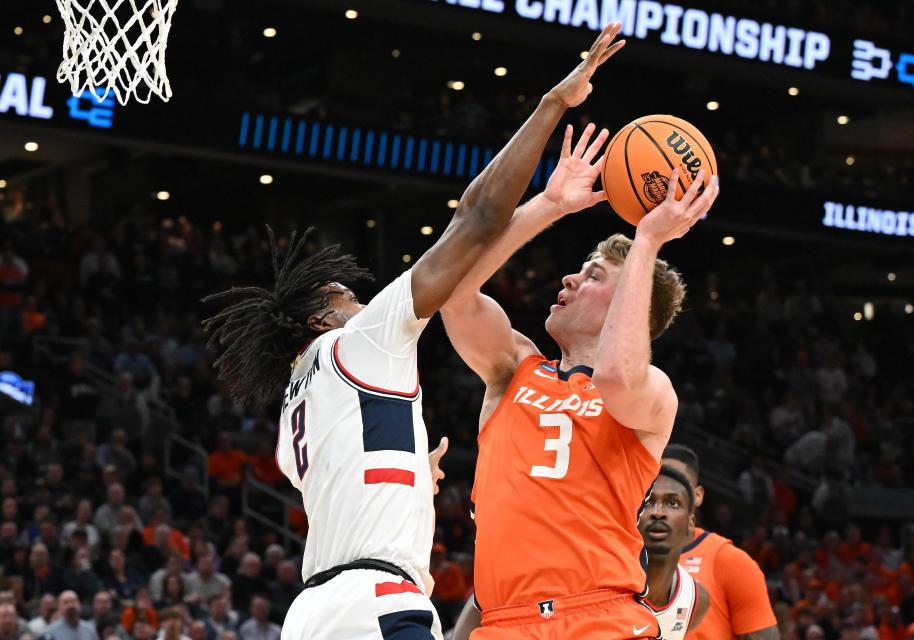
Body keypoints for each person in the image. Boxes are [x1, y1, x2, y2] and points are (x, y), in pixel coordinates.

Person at [201, 24, 617, 640]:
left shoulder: (293, 419)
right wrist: (552, 106)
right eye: (349, 296)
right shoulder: (360, 339)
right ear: (320, 318)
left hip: (310, 615)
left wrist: (411, 475)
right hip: (376, 601)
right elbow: (475, 217)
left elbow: (355, 474)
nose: (364, 301)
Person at [441, 31, 716, 640]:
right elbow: (454, 294)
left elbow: (617, 375)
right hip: (505, 623)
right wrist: (548, 206)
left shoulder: (652, 395)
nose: (568, 277)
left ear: (627, 302)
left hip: (601, 618)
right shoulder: (515, 366)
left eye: (592, 274)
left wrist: (647, 240)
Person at [662, 445, 779, 640]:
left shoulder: (729, 561)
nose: (665, 490)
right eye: (655, 482)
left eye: (677, 484)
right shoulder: (621, 557)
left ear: (697, 495)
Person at [638, 467, 710, 639]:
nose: (658, 513)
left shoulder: (696, 599)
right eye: (648, 502)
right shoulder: (602, 577)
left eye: (672, 503)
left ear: (690, 523)